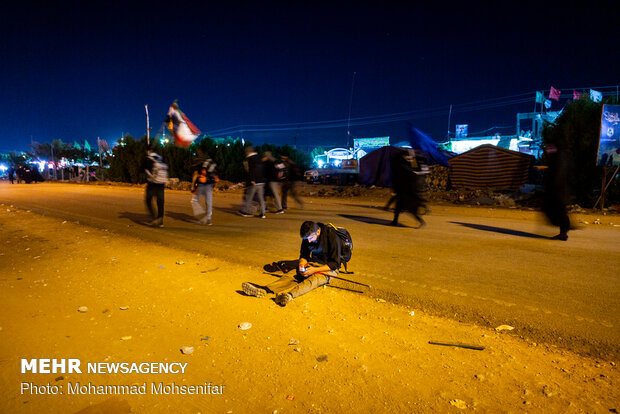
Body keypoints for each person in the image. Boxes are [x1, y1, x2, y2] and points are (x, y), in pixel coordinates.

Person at [242, 221, 342, 306]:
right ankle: (265, 289)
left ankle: (289, 295)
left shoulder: (332, 237)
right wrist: (302, 264)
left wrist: (314, 270)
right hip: (314, 263)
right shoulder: (307, 236)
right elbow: (304, 254)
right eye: (306, 239)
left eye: (311, 238)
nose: (308, 241)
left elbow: (335, 264)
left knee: (313, 280)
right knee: (291, 275)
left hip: (329, 268)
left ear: (318, 232)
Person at [542, 143, 571, 241]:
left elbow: (558, 175)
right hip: (559, 190)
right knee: (559, 211)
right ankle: (563, 232)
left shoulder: (558, 159)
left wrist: (554, 188)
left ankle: (563, 233)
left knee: (560, 212)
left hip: (558, 191)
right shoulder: (559, 158)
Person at [390, 149, 427, 228]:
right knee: (399, 207)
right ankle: (394, 221)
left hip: (406, 192)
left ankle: (421, 221)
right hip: (404, 191)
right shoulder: (407, 166)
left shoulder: (404, 167)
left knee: (410, 208)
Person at [190, 148, 217, 226]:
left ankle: (202, 217)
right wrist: (213, 184)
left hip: (200, 185)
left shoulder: (197, 160)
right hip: (209, 185)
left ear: (199, 152)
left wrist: (192, 185)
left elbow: (195, 174)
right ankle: (208, 219)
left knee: (194, 200)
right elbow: (214, 173)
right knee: (209, 202)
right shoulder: (210, 160)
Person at [238, 146, 267, 218]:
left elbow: (251, 170)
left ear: (248, 152)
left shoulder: (250, 159)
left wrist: (252, 180)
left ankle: (246, 212)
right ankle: (262, 214)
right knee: (261, 198)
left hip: (254, 182)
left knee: (249, 197)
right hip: (262, 181)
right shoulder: (260, 158)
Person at [144, 146, 168, 227]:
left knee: (148, 200)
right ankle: (160, 220)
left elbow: (143, 169)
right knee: (160, 202)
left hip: (153, 183)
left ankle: (154, 218)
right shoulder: (161, 159)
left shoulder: (148, 159)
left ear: (148, 151)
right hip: (162, 183)